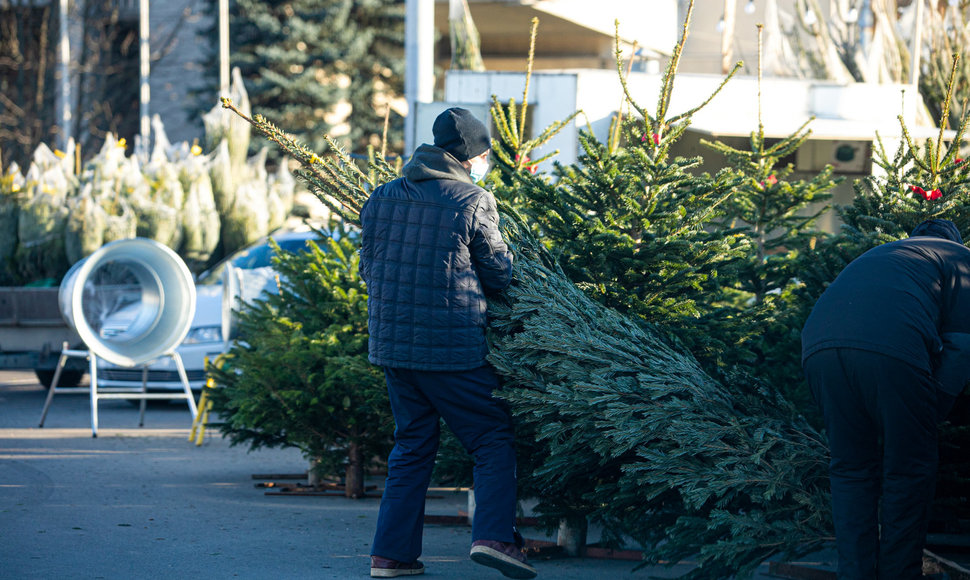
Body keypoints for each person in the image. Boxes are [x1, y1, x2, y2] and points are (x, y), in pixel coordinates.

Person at [359, 107, 535, 579]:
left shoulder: (382, 197)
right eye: (484, 155)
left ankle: (390, 557)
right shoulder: (473, 200)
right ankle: (496, 538)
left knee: (412, 446)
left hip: (394, 349)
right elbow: (500, 274)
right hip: (453, 349)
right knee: (492, 437)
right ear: (471, 156)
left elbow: (369, 268)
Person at [801, 218, 970, 579]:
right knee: (909, 470)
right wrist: (931, 409)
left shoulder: (883, 254)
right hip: (893, 349)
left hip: (818, 348)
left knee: (851, 469)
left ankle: (856, 574)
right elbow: (960, 347)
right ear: (955, 239)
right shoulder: (960, 258)